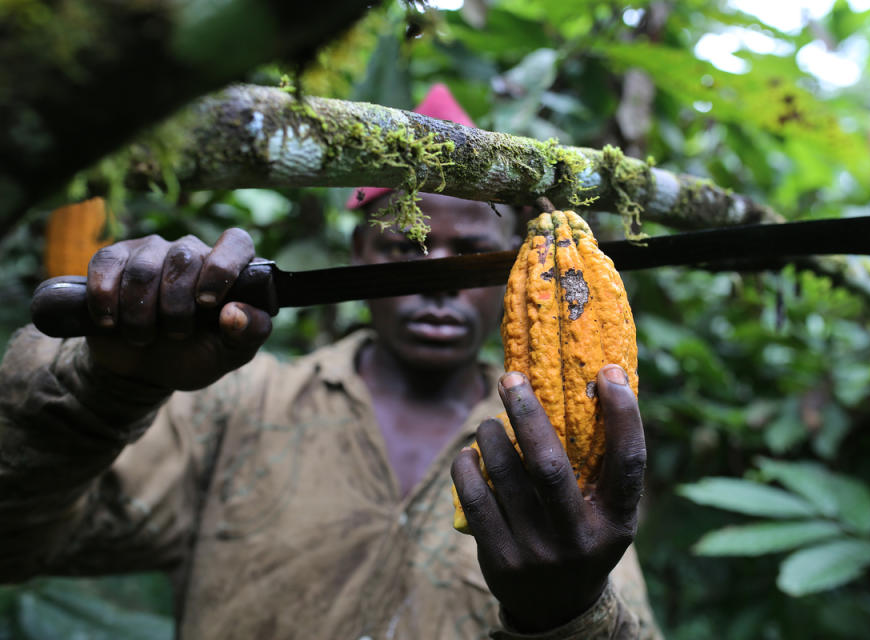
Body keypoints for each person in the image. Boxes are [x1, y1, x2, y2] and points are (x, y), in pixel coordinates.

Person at [0, 86, 661, 639]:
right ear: (356, 254)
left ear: (515, 269)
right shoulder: (236, 407)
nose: (439, 281)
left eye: (470, 253)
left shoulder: (561, 451)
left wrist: (570, 616)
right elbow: (15, 539)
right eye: (408, 247)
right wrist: (108, 384)